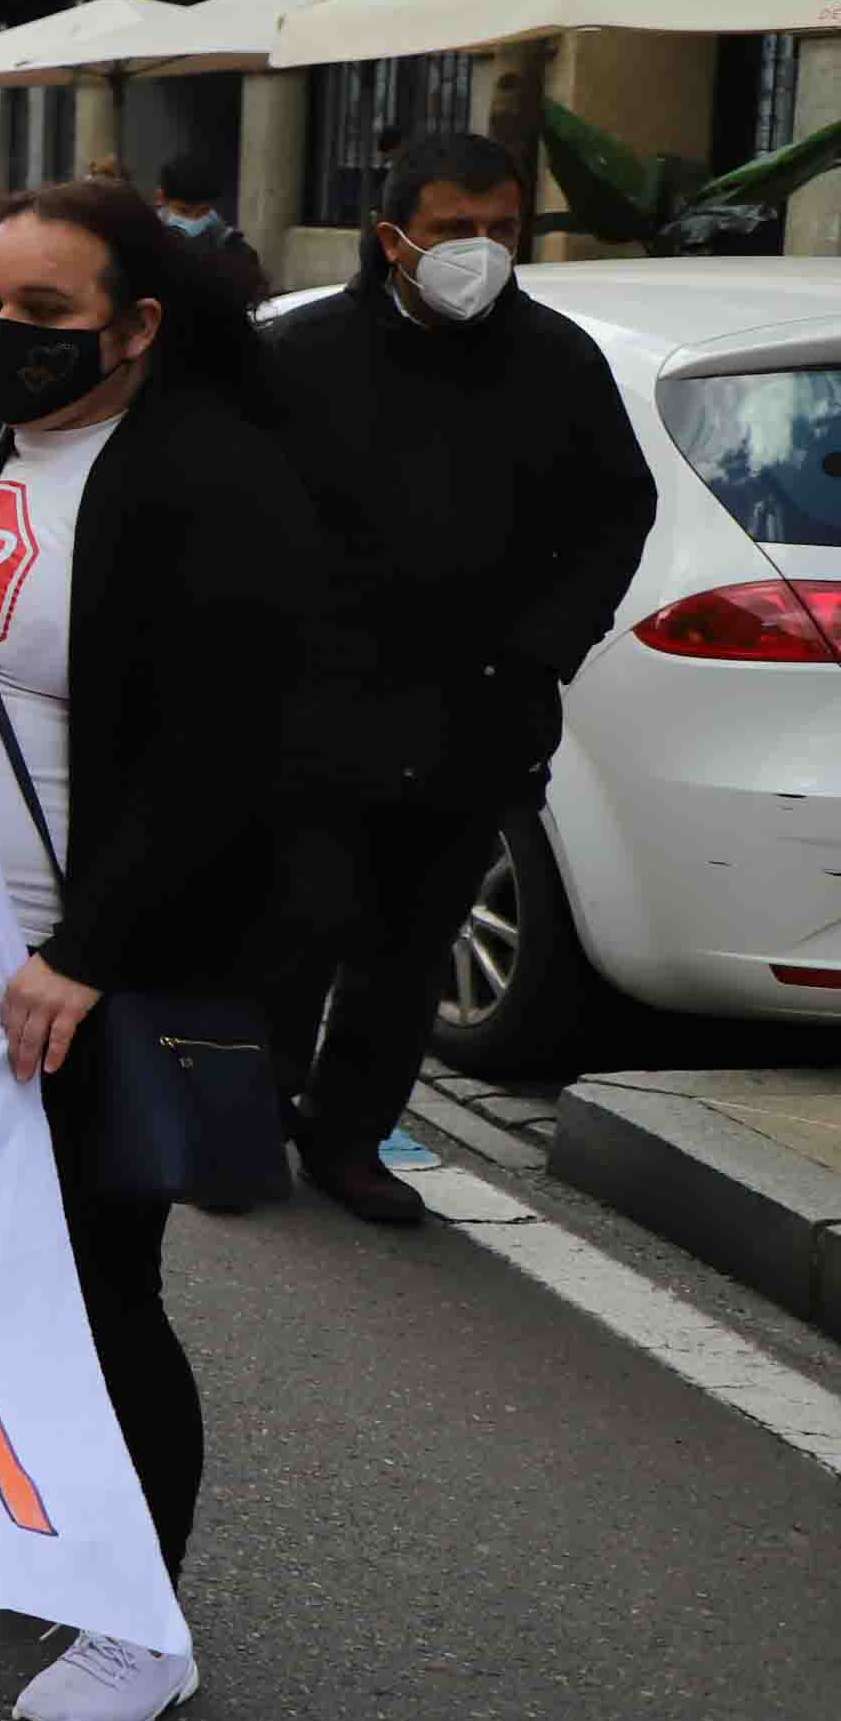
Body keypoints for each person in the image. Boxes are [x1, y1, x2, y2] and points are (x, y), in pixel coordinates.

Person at [0, 176, 319, 1721]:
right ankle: (31, 1521)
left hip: (92, 971)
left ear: (139, 327)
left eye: (47, 316)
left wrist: (88, 952)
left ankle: (141, 1621)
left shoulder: (214, 483)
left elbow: (223, 761)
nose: (4, 336)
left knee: (97, 1284)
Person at [263, 130, 656, 1226]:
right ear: (392, 236)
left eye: (499, 229)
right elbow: (233, 515)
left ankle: (347, 1141)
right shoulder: (299, 356)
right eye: (450, 230)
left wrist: (540, 644)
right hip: (316, 709)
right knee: (294, 930)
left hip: (474, 709)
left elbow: (615, 512)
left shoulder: (557, 360)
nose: (476, 251)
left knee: (403, 950)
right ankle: (246, 1120)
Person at [153, 150, 271, 308]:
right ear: (161, 198)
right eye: (183, 211)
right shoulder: (142, 246)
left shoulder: (236, 252)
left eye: (203, 211)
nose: (193, 220)